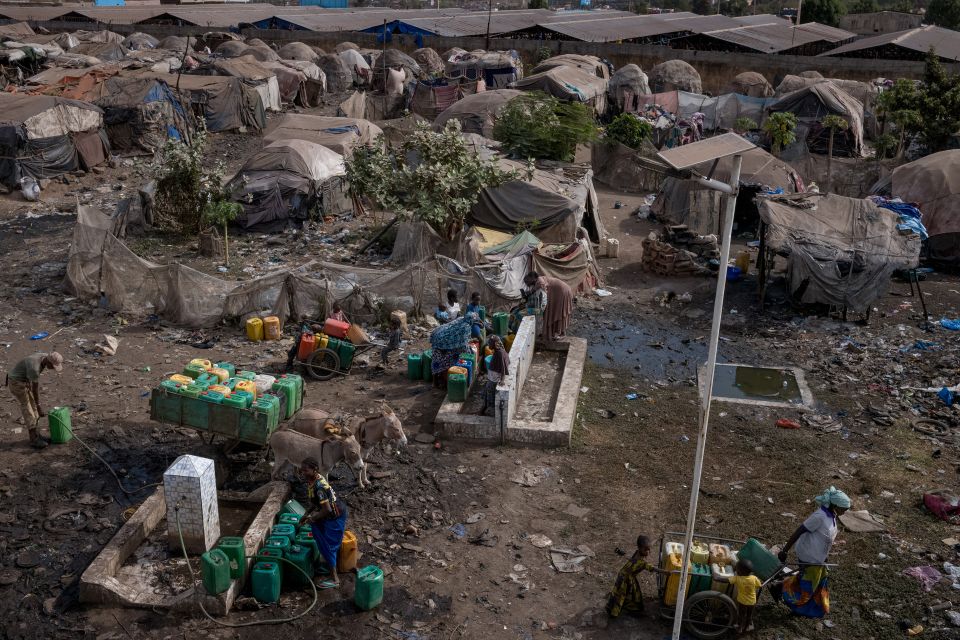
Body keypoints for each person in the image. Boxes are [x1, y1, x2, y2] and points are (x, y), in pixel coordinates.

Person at [775, 486, 851, 618]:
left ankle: (802, 604)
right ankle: (793, 603)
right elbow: (799, 531)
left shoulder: (832, 516)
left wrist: (824, 556)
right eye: (843, 509)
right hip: (809, 556)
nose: (844, 512)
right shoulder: (819, 516)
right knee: (807, 586)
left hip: (818, 557)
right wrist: (785, 551)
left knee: (812, 582)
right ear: (835, 505)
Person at [298, 457, 348, 589]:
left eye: (305, 470)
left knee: (329, 546)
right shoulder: (313, 481)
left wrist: (312, 518)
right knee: (323, 539)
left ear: (314, 470)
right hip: (329, 514)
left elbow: (327, 509)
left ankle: (335, 579)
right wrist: (306, 514)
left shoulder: (320, 487)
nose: (302, 473)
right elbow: (315, 502)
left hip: (335, 516)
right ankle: (331, 565)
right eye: (301, 470)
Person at [5, 352, 63, 449]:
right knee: (28, 409)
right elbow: (35, 389)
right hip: (16, 382)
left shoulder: (44, 356)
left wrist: (37, 406)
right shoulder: (34, 368)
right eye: (53, 366)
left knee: (34, 409)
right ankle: (33, 440)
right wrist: (39, 406)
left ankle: (37, 435)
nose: (53, 368)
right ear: (49, 362)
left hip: (24, 381)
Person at [606, 534, 666, 618]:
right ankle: (613, 613)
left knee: (634, 593)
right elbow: (653, 568)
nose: (648, 552)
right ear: (640, 548)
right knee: (620, 595)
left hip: (628, 576)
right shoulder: (641, 562)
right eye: (646, 550)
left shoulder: (638, 551)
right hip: (625, 578)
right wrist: (666, 572)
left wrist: (658, 538)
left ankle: (632, 607)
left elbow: (650, 544)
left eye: (649, 549)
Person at [714, 558, 762, 635]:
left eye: (737, 569)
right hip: (752, 601)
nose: (736, 571)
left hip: (743, 602)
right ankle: (747, 627)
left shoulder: (737, 578)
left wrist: (716, 578)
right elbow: (759, 585)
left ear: (741, 571)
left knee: (741, 615)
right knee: (749, 615)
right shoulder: (754, 578)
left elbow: (726, 580)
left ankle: (739, 628)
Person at [429, 313, 476, 389]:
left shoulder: (461, 319)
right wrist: (470, 353)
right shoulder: (466, 326)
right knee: (446, 361)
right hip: (442, 344)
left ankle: (435, 382)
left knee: (436, 363)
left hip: (437, 338)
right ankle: (445, 381)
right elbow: (463, 342)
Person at [477, 335, 509, 416]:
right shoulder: (500, 351)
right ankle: (483, 410)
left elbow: (503, 368)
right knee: (487, 395)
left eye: (490, 343)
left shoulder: (499, 354)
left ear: (495, 344)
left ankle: (487, 412)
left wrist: (502, 380)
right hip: (491, 378)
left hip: (493, 380)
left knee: (490, 396)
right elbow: (507, 360)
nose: (488, 345)